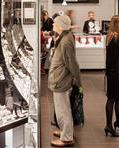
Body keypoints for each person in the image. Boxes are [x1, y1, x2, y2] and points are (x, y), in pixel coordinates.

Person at [48, 15, 81, 147]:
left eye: (55, 23)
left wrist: (77, 79)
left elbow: (72, 62)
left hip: (61, 80)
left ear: (61, 26)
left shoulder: (66, 41)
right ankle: (64, 130)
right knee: (61, 108)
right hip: (59, 78)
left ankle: (67, 137)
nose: (53, 25)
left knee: (63, 109)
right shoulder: (63, 37)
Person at [104, 15, 119, 137]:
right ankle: (115, 123)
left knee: (111, 99)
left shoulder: (109, 37)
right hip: (118, 73)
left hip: (111, 73)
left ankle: (112, 124)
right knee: (118, 99)